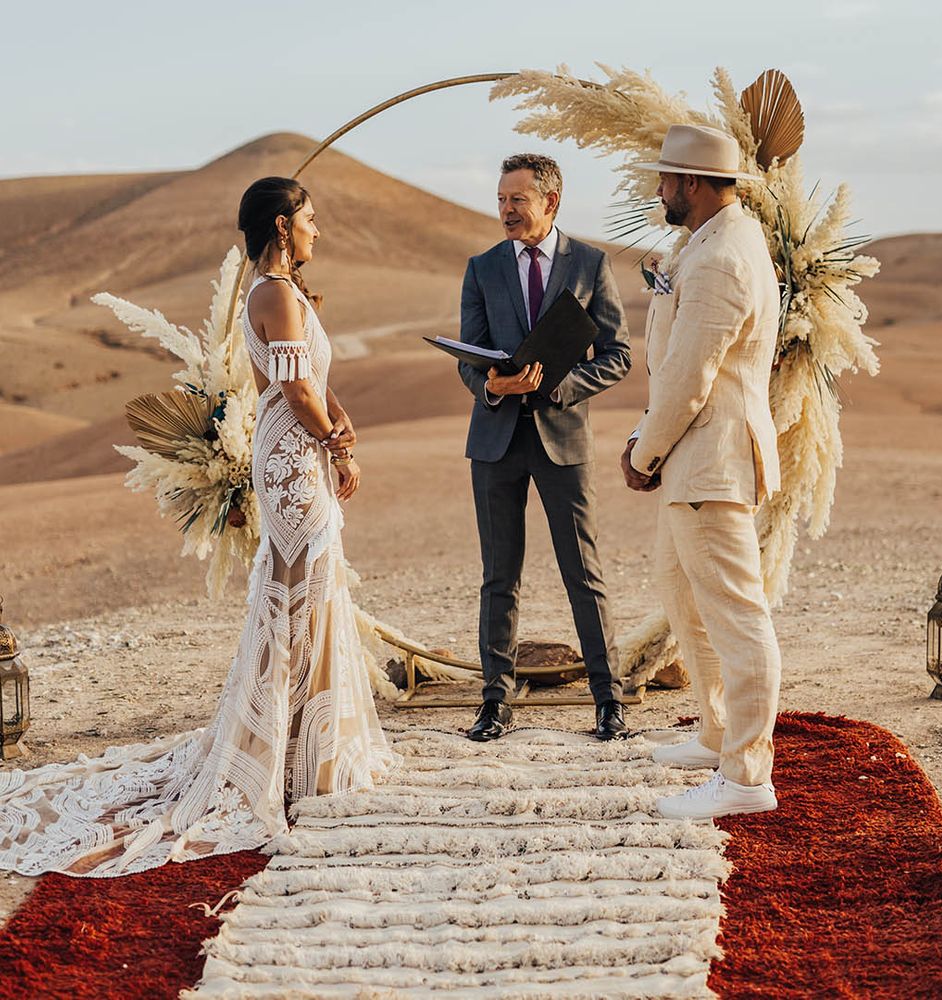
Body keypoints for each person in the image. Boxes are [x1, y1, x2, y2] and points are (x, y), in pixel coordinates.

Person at [0, 177, 397, 877]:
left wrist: (341, 420)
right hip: (291, 464)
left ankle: (308, 746)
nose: (318, 230)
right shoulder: (271, 292)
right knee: (300, 594)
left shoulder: (286, 291)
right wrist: (337, 444)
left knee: (313, 590)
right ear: (282, 224)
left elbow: (313, 374)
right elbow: (295, 388)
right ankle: (288, 756)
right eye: (310, 219)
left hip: (298, 449)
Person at [621, 125, 782, 819]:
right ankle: (717, 733)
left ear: (691, 183)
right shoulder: (710, 243)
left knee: (738, 617)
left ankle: (747, 775)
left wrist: (643, 451)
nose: (658, 190)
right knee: (680, 590)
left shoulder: (721, 258)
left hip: (709, 458)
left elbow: (691, 375)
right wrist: (647, 437)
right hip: (694, 456)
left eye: (664, 179)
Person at [459, 153, 631, 743]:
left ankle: (609, 701)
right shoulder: (481, 268)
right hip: (495, 440)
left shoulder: (591, 263)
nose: (506, 210)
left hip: (564, 441)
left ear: (550, 202)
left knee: (583, 573)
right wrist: (490, 384)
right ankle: (494, 703)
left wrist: (561, 385)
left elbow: (618, 355)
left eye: (517, 200)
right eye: (502, 199)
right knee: (498, 577)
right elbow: (469, 355)